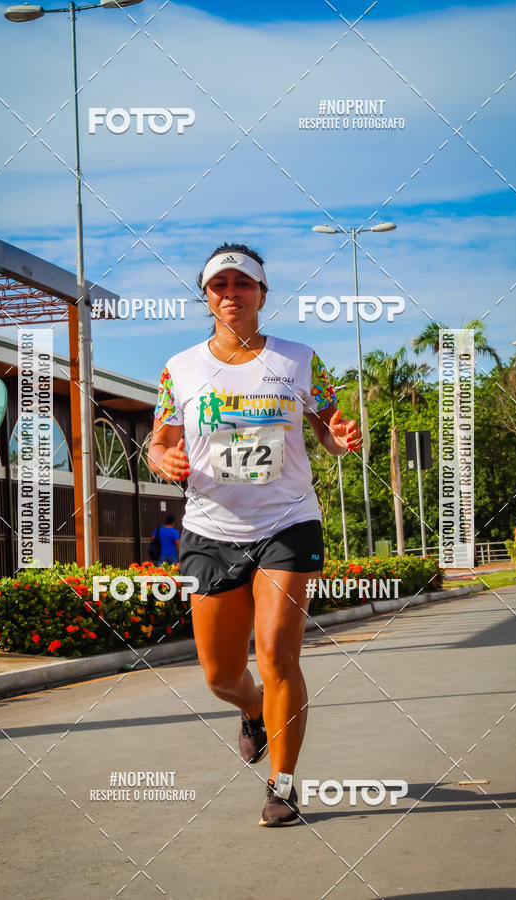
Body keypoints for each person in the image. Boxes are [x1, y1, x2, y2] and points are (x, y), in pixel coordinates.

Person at [148, 243, 362, 827]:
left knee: (275, 653)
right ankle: (251, 713)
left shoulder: (298, 360)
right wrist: (162, 458)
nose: (231, 294)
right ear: (208, 298)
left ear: (262, 294)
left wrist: (338, 436)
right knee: (219, 674)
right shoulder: (181, 367)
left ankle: (284, 785)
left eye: (243, 284)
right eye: (220, 286)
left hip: (287, 523)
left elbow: (326, 427)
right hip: (209, 530)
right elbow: (159, 441)